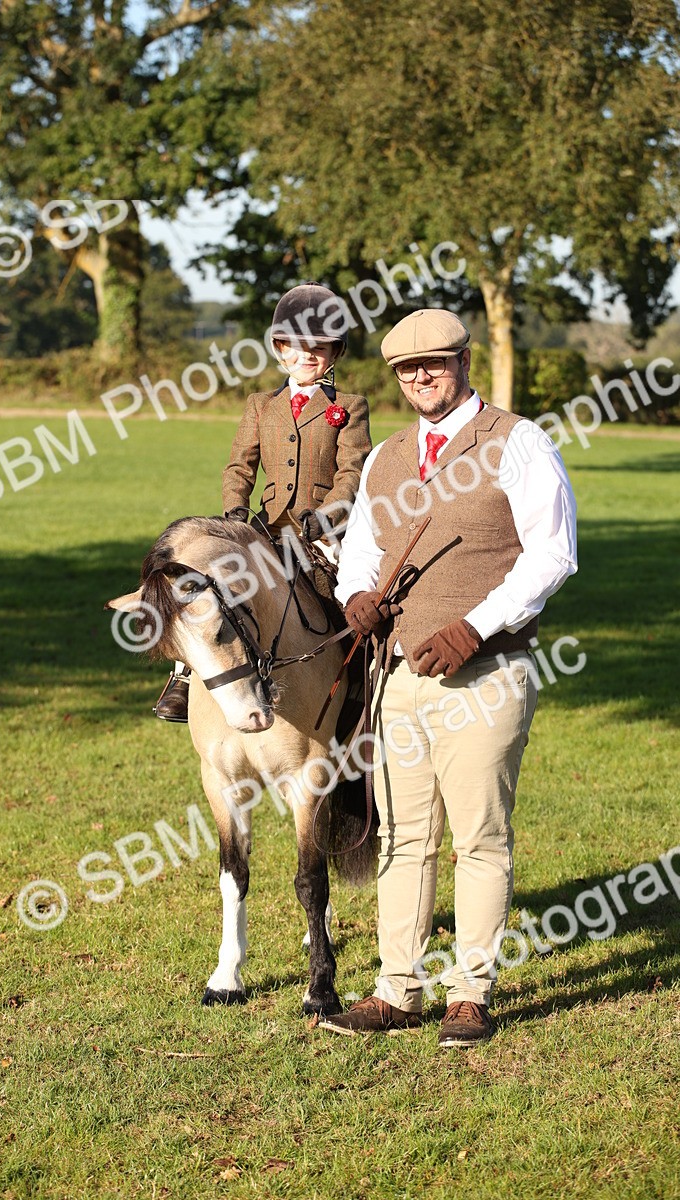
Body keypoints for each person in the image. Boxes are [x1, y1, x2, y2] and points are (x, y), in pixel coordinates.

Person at [319, 307, 577, 1047]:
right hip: (398, 674)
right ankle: (397, 991)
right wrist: (355, 597)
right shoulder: (389, 456)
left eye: (434, 362)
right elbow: (361, 551)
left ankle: (471, 993)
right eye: (407, 368)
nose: (421, 376)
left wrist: (475, 626)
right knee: (404, 837)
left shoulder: (516, 441)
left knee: (480, 837)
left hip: (488, 674)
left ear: (463, 361)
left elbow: (552, 554)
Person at [155, 281, 372, 722]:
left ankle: (360, 686)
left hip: (324, 532)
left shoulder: (350, 406)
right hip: (264, 526)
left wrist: (327, 516)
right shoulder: (261, 405)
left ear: (335, 353)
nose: (306, 356)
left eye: (319, 347)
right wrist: (235, 508)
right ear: (279, 349)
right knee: (209, 592)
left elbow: (353, 471)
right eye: (295, 346)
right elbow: (239, 466)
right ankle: (181, 678)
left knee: (351, 596)